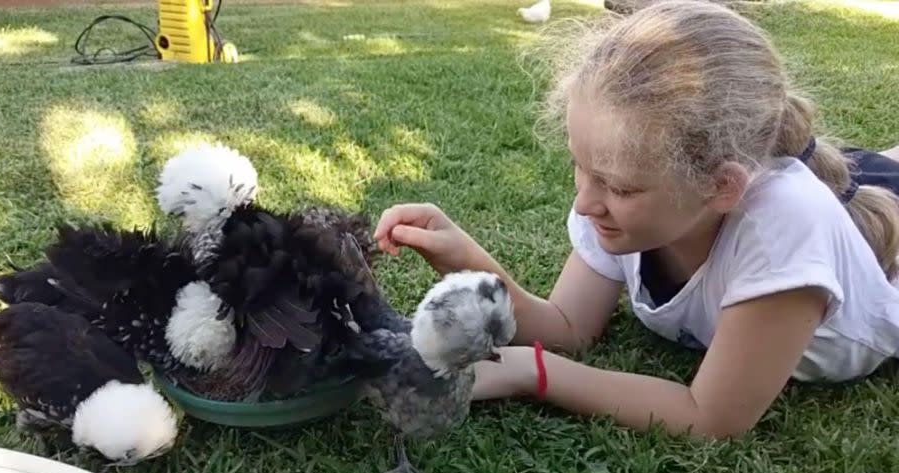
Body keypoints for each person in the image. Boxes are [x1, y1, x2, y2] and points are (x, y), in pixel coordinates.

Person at [372, 0, 899, 438]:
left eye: (618, 186)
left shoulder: (783, 225)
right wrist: (461, 257)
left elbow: (710, 416)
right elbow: (568, 327)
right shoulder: (633, 202)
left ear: (720, 187)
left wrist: (534, 374)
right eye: (582, 169)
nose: (584, 202)